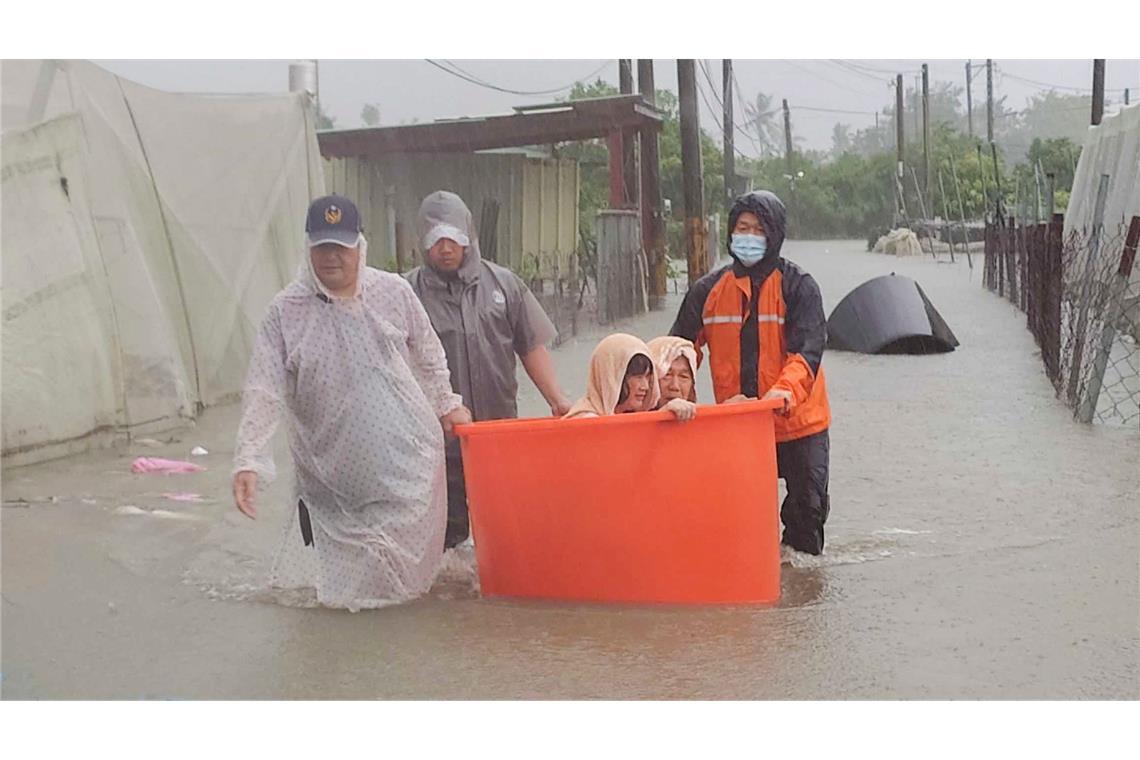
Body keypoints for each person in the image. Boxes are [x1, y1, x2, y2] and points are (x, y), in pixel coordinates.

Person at [231, 194, 471, 611]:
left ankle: (396, 663)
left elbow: (429, 354)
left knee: (404, 594)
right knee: (343, 601)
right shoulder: (285, 312)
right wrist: (249, 458)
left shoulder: (393, 293)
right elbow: (263, 388)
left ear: (360, 246)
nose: (331, 258)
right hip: (331, 481)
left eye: (340, 247)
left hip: (406, 470)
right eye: (321, 247)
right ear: (308, 249)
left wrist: (447, 403)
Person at [670, 191, 832, 555]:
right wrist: (670, 395)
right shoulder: (706, 291)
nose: (749, 236)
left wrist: (782, 392)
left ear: (774, 234)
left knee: (807, 515)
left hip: (798, 423)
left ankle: (800, 594)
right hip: (737, 424)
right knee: (736, 517)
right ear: (730, 233)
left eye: (759, 229)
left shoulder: (799, 286)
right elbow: (678, 354)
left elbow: (807, 353)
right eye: (742, 228)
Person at [407, 191, 572, 548]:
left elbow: (530, 346)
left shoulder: (504, 284)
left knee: (505, 535)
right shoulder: (405, 293)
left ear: (468, 235)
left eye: (453, 238)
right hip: (436, 447)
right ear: (422, 241)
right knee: (444, 546)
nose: (446, 248)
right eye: (436, 240)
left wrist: (557, 399)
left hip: (498, 439)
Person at [564, 333, 693, 420]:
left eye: (648, 377)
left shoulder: (630, 416)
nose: (645, 386)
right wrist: (661, 418)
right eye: (637, 377)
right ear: (612, 376)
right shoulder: (584, 419)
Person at [647, 336, 699, 404]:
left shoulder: (705, 414)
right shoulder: (630, 413)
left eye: (683, 376)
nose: (675, 386)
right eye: (667, 375)